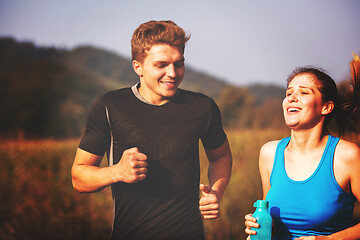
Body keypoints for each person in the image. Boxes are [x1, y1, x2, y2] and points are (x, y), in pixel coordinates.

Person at [71, 20, 232, 240]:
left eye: (178, 64)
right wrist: (116, 172)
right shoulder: (109, 106)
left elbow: (220, 156)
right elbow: (78, 177)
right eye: (161, 65)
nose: (172, 73)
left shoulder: (202, 107)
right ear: (138, 66)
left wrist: (216, 192)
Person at [245, 66, 360, 239]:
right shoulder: (269, 153)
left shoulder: (347, 156)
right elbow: (268, 215)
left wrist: (327, 239)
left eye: (304, 93)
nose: (292, 98)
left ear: (326, 107)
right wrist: (260, 224)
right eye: (289, 93)